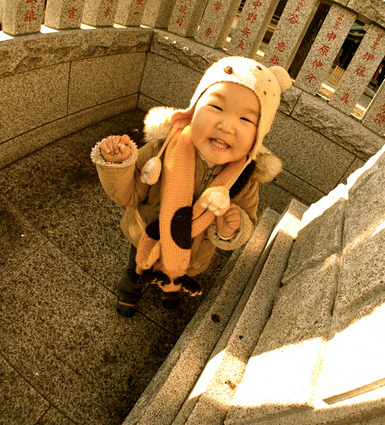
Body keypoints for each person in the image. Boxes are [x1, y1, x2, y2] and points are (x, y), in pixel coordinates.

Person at [91, 56, 291, 317]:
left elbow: (247, 220)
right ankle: (130, 292)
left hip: (194, 252)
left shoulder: (245, 177)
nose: (226, 125)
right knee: (137, 269)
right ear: (194, 109)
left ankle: (170, 289)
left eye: (245, 119)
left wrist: (230, 229)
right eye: (216, 107)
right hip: (146, 236)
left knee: (179, 273)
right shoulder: (161, 148)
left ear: (258, 135)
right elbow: (127, 194)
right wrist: (118, 166)